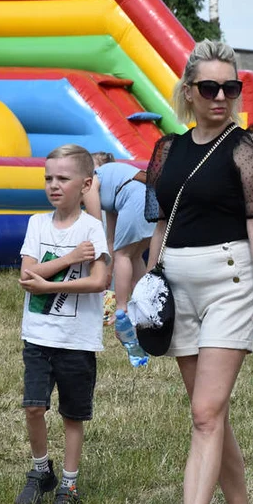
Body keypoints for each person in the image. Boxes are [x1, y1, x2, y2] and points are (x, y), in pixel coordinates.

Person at [144, 39, 253, 504]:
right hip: (176, 286)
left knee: (204, 414)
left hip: (229, 282)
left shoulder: (246, 148)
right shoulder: (167, 150)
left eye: (231, 87)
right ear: (189, 92)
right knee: (212, 412)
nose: (221, 96)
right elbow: (160, 222)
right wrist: (147, 288)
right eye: (210, 87)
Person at [15, 144, 111, 504]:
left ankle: (68, 484)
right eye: (48, 178)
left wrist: (48, 284)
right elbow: (26, 274)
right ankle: (42, 471)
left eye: (63, 178)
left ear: (85, 184)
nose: (54, 185)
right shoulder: (37, 224)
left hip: (77, 341)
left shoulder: (92, 228)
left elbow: (99, 281)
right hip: (38, 337)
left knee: (73, 415)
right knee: (33, 408)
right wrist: (71, 259)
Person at [83, 151, 153, 367]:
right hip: (151, 201)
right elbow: (110, 239)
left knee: (125, 255)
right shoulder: (114, 187)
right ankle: (147, 304)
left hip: (137, 200)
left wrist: (98, 270)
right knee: (132, 256)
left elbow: (95, 227)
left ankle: (122, 308)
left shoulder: (91, 181)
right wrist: (109, 271)